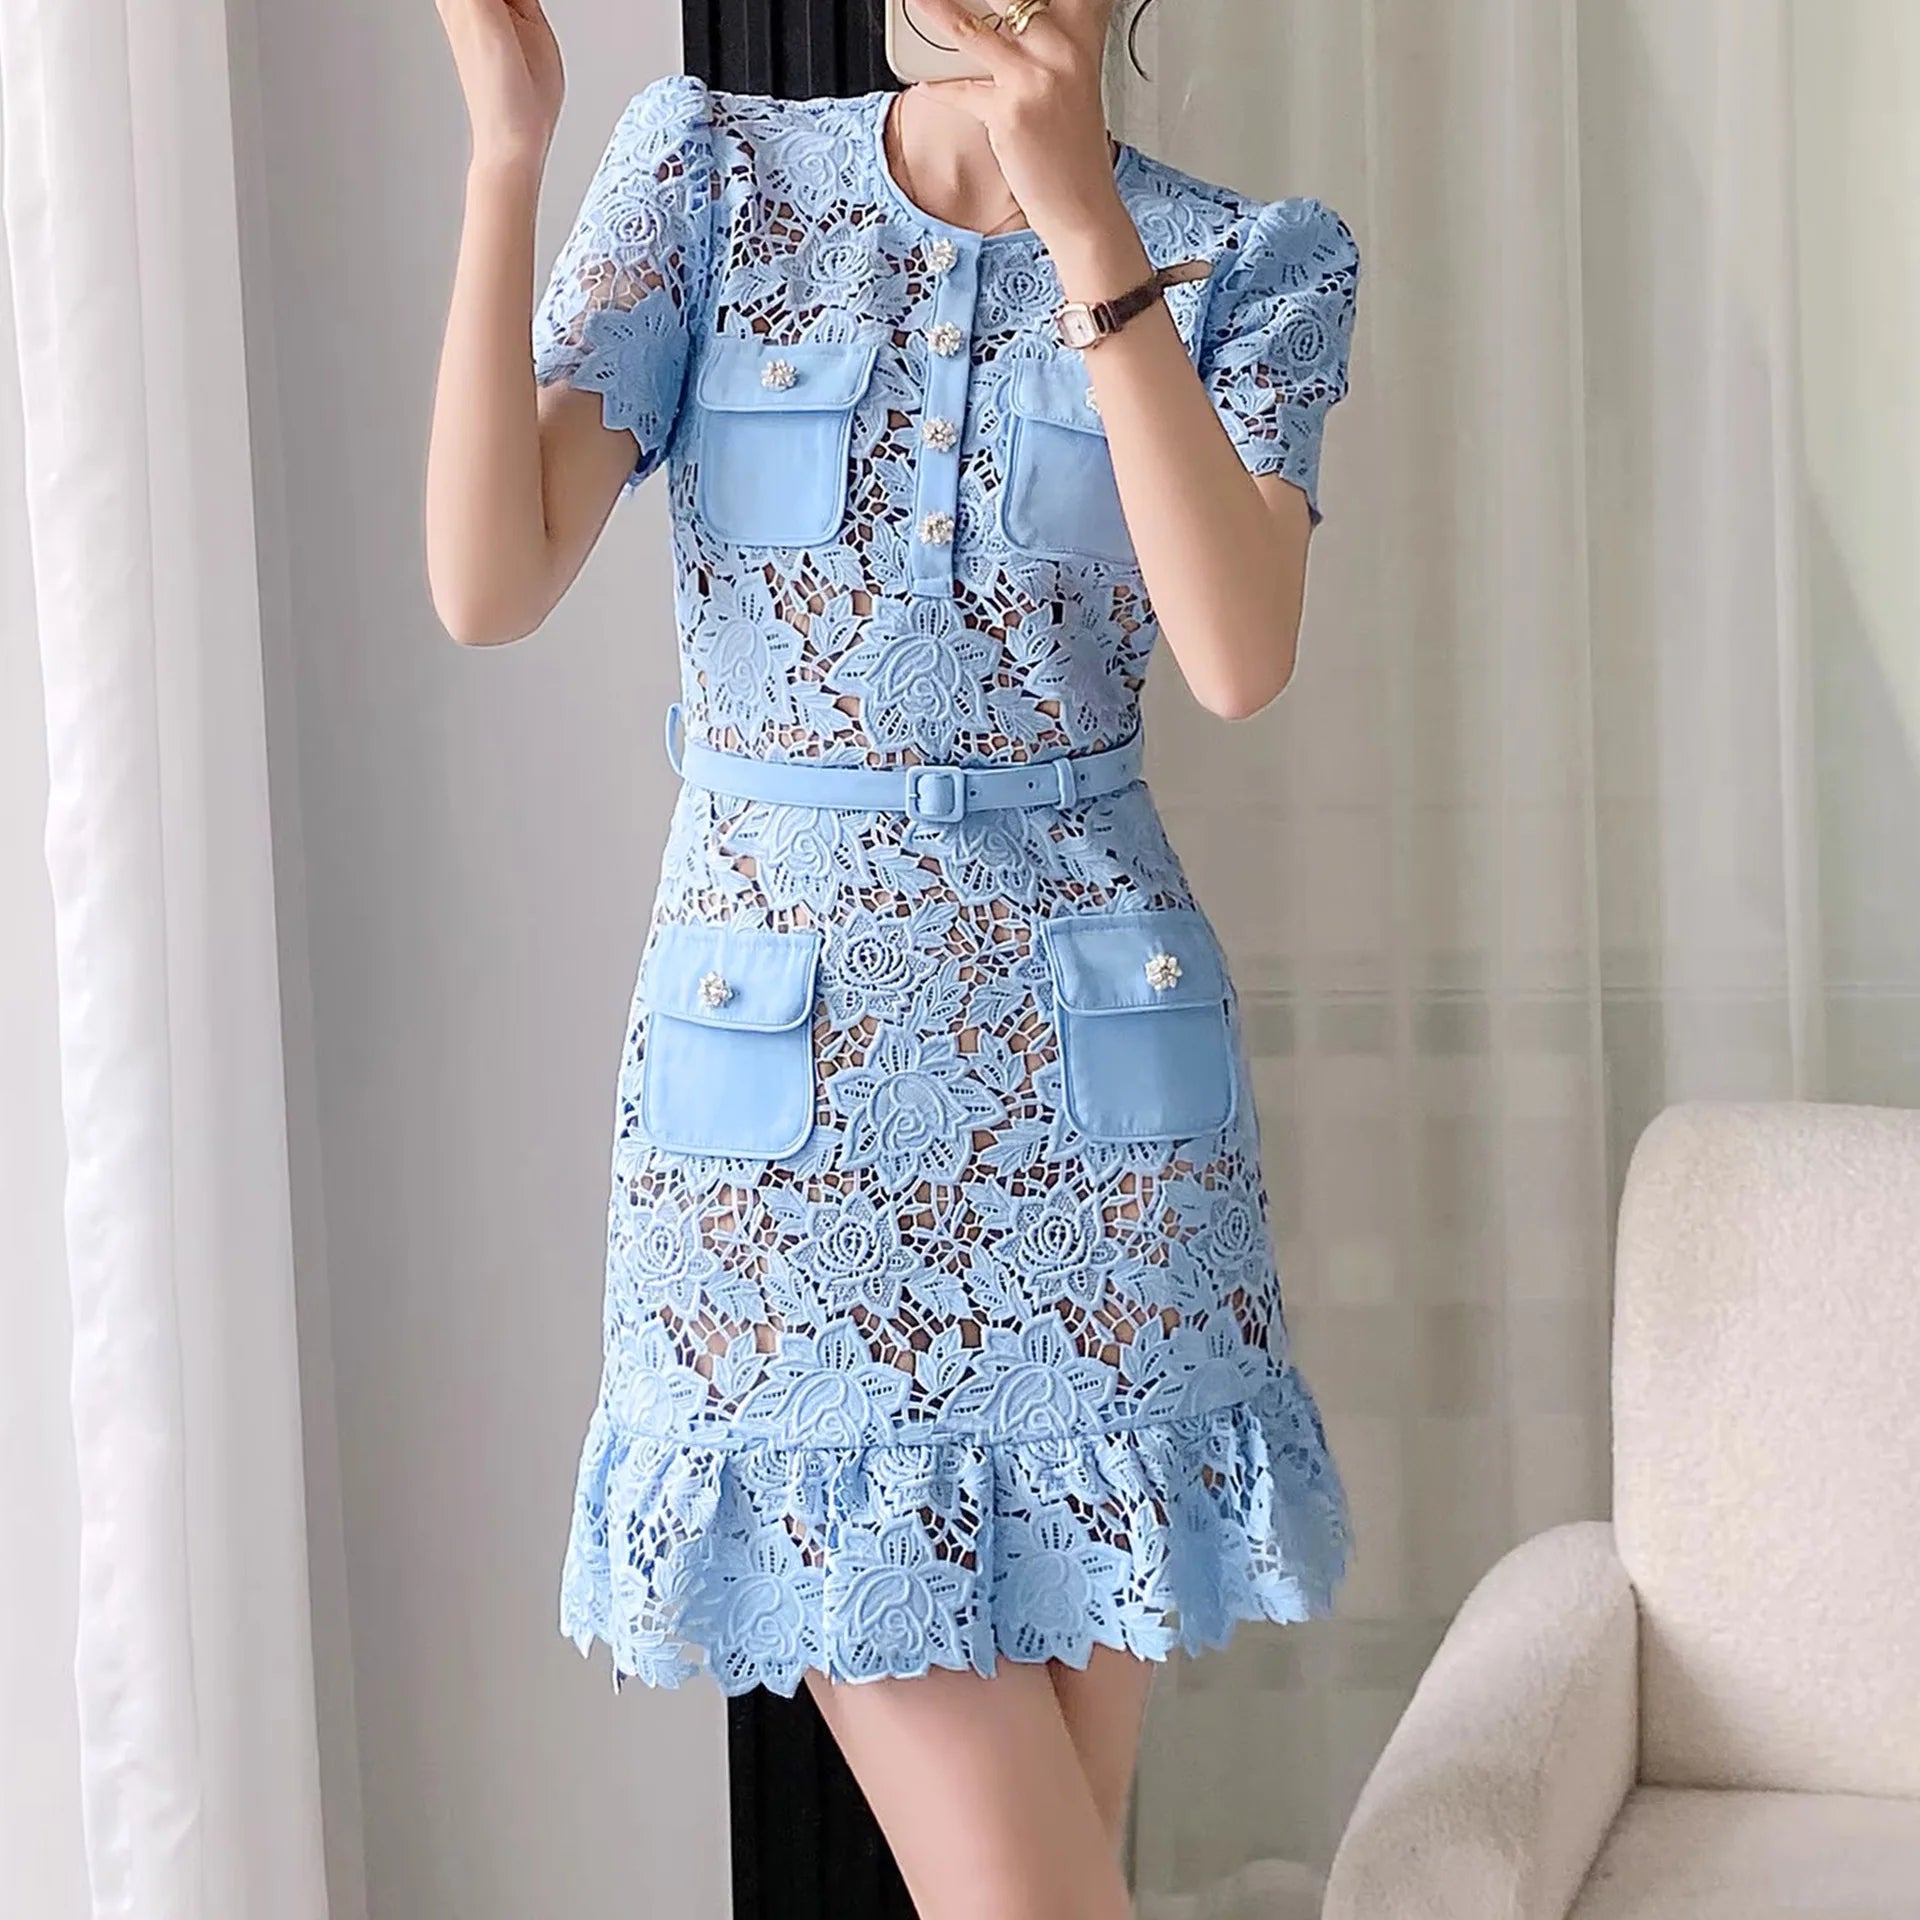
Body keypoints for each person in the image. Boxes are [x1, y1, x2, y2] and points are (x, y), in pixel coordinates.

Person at [427, 1, 1359, 1913]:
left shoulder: (1251, 263)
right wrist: (508, 154)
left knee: (1042, 1884)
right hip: (777, 1146)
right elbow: (488, 577)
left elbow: (1236, 655)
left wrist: (1087, 226)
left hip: (1101, 1143)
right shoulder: (708, 180)